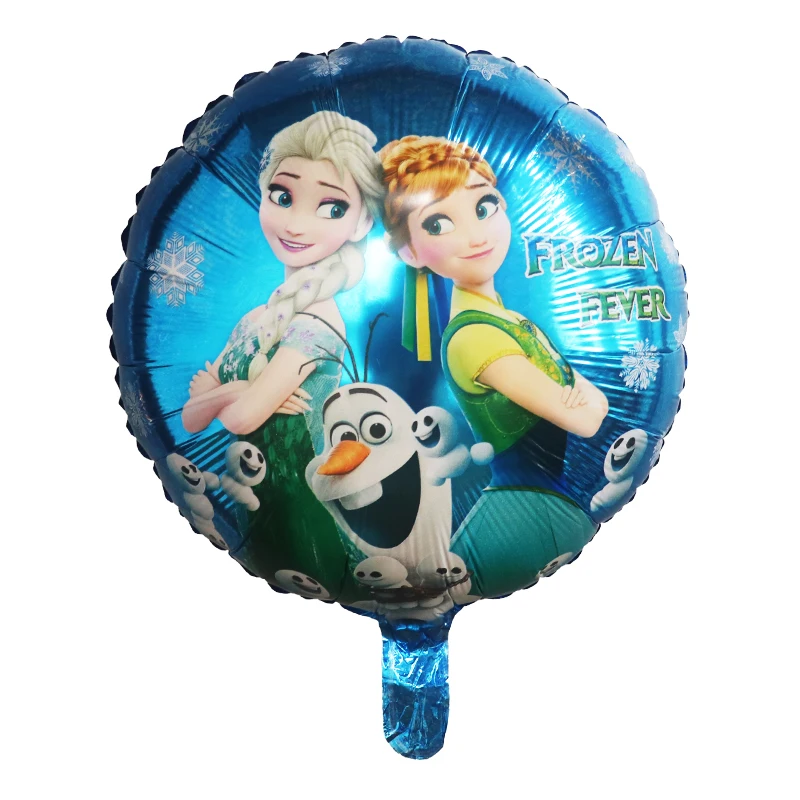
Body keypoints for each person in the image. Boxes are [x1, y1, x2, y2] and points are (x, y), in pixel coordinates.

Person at [380, 135, 609, 597]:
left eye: (484, 207)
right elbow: (585, 418)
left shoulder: (512, 320)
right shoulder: (474, 337)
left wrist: (582, 401)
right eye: (439, 223)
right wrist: (573, 398)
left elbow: (597, 403)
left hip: (547, 504)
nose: (477, 235)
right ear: (410, 253)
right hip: (520, 513)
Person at [182, 112, 384, 597]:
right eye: (282, 196)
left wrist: (227, 391)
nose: (295, 224)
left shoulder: (317, 324)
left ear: (362, 221)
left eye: (331, 207)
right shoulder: (258, 317)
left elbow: (241, 417)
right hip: (249, 501)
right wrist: (243, 393)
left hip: (300, 508)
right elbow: (190, 419)